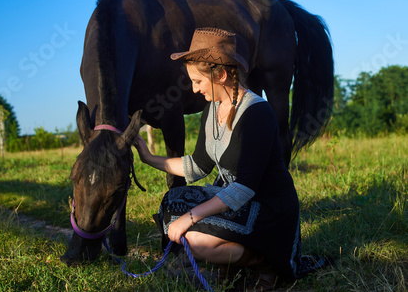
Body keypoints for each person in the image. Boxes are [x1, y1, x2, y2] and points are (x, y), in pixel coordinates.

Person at [134, 27, 328, 291]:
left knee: (197, 239)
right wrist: (148, 157)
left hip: (268, 206)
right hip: (237, 200)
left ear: (221, 75)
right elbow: (198, 166)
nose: (194, 89)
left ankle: (265, 263)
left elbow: (244, 188)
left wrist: (191, 217)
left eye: (198, 81)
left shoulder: (257, 113)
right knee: (172, 201)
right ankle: (231, 258)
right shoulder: (211, 110)